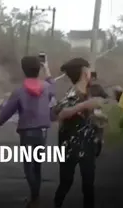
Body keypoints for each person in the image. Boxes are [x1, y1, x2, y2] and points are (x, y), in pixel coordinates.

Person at [0, 56, 55, 208]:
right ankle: (36, 197)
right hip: (42, 131)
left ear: (23, 70)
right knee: (37, 164)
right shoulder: (46, 88)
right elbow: (52, 85)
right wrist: (46, 68)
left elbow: (8, 110)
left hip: (27, 133)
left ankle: (34, 199)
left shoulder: (19, 91)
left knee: (28, 166)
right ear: (38, 69)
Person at [52, 58, 106, 208]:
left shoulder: (88, 92)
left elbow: (87, 115)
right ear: (84, 72)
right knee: (66, 182)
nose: (90, 72)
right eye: (89, 69)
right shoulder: (73, 93)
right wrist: (84, 105)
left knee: (88, 184)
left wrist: (98, 119)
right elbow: (60, 113)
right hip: (70, 145)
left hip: (87, 144)